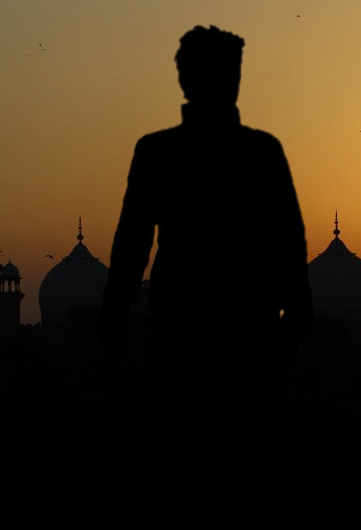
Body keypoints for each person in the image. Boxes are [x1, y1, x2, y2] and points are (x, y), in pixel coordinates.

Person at [99, 25, 314, 377]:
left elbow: (133, 244)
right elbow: (287, 242)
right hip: (239, 321)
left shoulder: (159, 152)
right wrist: (297, 319)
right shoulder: (259, 152)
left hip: (186, 319)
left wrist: (114, 315)